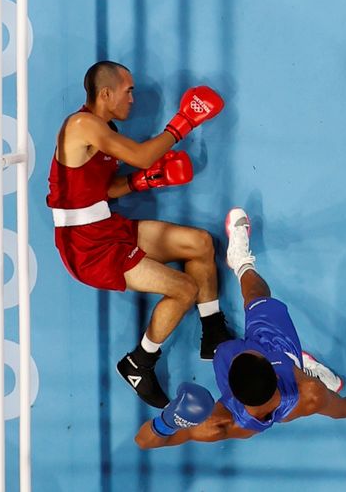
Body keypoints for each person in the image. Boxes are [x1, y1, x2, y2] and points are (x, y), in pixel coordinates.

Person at [47, 60, 231, 408]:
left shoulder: (102, 128)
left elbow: (105, 189)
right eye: (128, 90)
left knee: (200, 243)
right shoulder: (83, 124)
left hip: (105, 227)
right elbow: (143, 156)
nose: (133, 98)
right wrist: (184, 122)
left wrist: (140, 183)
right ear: (106, 93)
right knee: (184, 289)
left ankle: (213, 331)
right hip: (88, 249)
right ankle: (140, 362)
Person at [134, 208, 346, 448]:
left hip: (246, 365)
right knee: (257, 296)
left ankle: (239, 260)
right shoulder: (310, 393)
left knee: (226, 343)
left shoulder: (222, 422)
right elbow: (343, 409)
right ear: (274, 371)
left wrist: (166, 423)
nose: (248, 346)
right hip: (282, 355)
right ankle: (243, 263)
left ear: (231, 386)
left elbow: (144, 442)